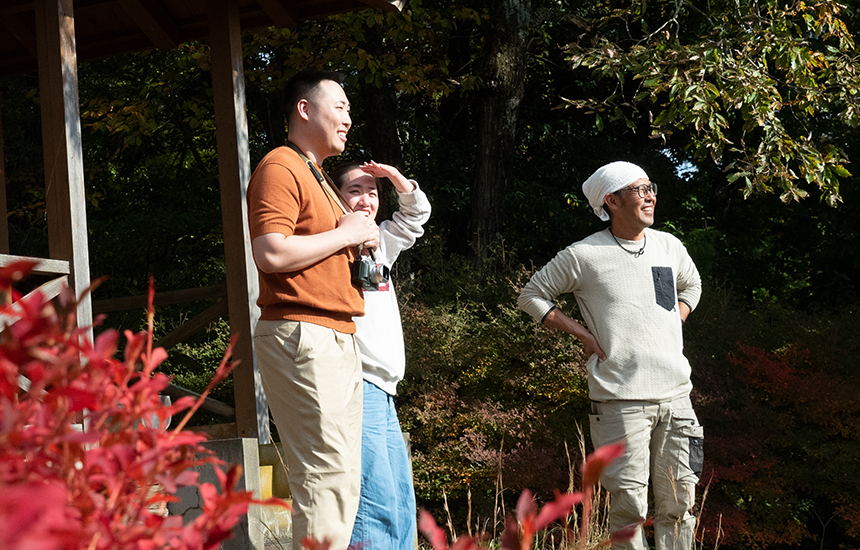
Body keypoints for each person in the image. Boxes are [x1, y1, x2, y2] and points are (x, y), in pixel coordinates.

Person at [517, 161, 704, 550]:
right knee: (629, 509)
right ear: (612, 200)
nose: (651, 195)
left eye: (651, 187)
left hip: (677, 397)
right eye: (640, 190)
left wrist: (675, 318)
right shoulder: (584, 254)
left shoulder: (669, 245)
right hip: (620, 401)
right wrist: (582, 333)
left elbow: (692, 284)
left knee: (680, 503)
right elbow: (530, 296)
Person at [247, 69, 379, 550]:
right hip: (303, 333)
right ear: (305, 110)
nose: (349, 117)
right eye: (340, 107)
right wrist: (347, 233)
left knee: (340, 479)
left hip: (335, 333)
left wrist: (358, 238)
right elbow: (272, 253)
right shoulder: (279, 167)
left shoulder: (315, 175)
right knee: (325, 477)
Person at [331, 160, 431, 550]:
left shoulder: (380, 243)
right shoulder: (331, 243)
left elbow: (415, 215)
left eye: (372, 192)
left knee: (402, 503)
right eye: (354, 190)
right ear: (335, 196)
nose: (365, 200)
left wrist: (396, 179)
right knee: (375, 503)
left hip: (385, 388)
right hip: (358, 382)